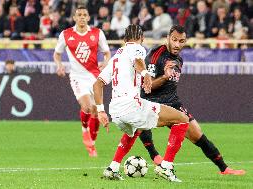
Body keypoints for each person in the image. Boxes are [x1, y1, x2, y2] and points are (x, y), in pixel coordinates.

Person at [138, 25, 246, 175]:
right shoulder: (156, 55)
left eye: (181, 41)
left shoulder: (179, 59)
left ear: (185, 41)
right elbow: (146, 87)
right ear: (168, 38)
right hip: (154, 101)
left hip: (173, 102)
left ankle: (224, 169)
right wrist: (164, 77)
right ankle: (155, 156)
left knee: (197, 134)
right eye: (174, 40)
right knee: (139, 124)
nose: (177, 44)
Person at [93, 24, 190, 182]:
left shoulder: (116, 57)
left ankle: (113, 168)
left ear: (124, 39)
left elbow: (97, 84)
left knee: (135, 129)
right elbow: (138, 60)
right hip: (131, 105)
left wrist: (100, 111)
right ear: (142, 38)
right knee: (182, 119)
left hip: (115, 110)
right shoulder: (138, 48)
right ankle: (166, 167)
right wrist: (145, 74)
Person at [53, 6, 111, 157]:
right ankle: (84, 129)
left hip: (94, 76)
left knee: (97, 111)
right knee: (87, 106)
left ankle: (92, 142)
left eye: (85, 15)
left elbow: (106, 53)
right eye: (79, 15)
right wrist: (59, 66)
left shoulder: (97, 33)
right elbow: (57, 54)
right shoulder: (66, 34)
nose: (82, 17)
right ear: (74, 18)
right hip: (77, 77)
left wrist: (105, 62)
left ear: (88, 18)